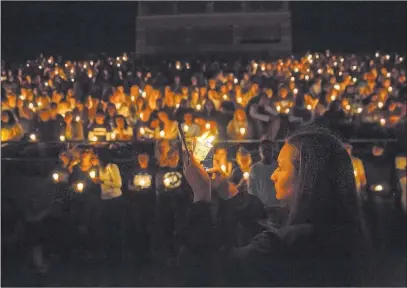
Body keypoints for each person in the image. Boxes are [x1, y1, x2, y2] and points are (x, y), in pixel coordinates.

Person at [181, 125, 370, 286]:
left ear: (306, 178)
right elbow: (268, 225)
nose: (273, 175)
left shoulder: (286, 245)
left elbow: (209, 271)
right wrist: (228, 190)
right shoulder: (342, 231)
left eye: (280, 167)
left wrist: (201, 196)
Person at [125, 152, 156, 266]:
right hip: (136, 202)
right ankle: (137, 251)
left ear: (148, 159)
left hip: (148, 202)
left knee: (148, 225)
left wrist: (147, 190)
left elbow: (155, 186)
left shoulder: (152, 171)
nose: (142, 160)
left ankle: (148, 251)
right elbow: (129, 185)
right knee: (137, 225)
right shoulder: (133, 171)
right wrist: (136, 189)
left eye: (144, 158)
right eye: (140, 158)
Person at [95, 148, 123, 266]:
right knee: (105, 226)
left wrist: (103, 181)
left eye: (97, 157)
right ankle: (107, 252)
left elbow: (118, 184)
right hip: (104, 199)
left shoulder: (112, 167)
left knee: (115, 225)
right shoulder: (99, 169)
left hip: (114, 199)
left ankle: (117, 254)